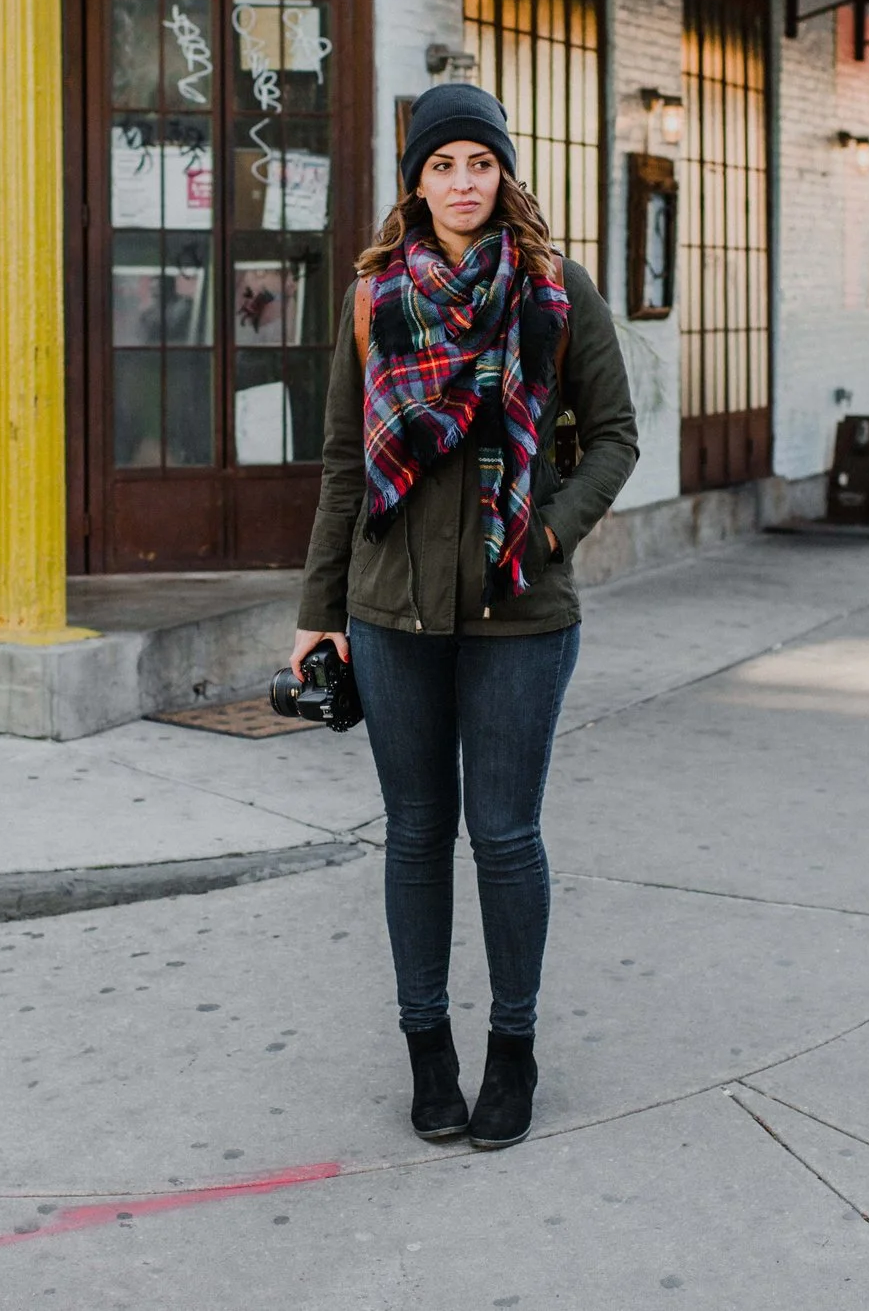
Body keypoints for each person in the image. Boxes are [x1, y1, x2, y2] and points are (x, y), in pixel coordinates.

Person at [292, 82, 639, 1150]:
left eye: (478, 164)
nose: (461, 184)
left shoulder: (554, 290)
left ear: (503, 173)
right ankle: (427, 1049)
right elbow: (348, 464)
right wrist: (318, 613)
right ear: (416, 180)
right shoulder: (372, 298)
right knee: (413, 835)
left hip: (520, 611)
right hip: (390, 606)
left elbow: (618, 436)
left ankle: (515, 1052)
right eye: (441, 166)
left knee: (503, 835)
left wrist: (542, 533)